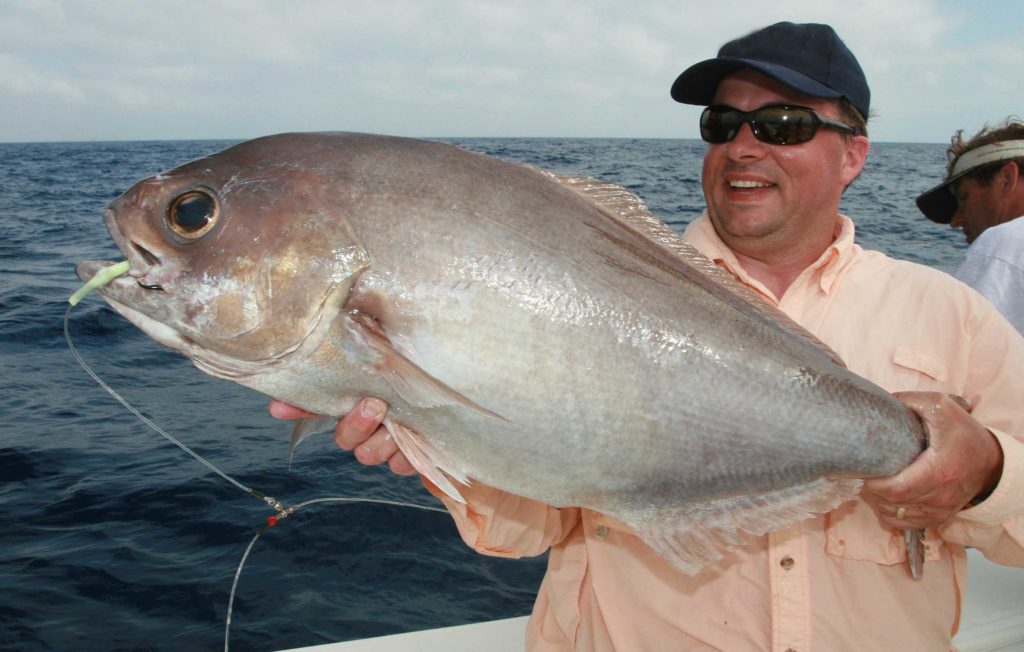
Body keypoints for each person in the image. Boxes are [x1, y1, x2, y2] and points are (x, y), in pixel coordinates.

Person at [272, 22, 1024, 650]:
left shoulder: (947, 312)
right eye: (722, 125)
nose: (743, 147)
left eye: (783, 126)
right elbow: (525, 529)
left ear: (854, 156)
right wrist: (438, 439)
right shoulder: (585, 291)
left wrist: (984, 471)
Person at [917, 119, 1024, 334]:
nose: (955, 221)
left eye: (964, 197)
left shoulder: (1004, 243)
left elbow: (953, 356)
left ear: (1006, 179)